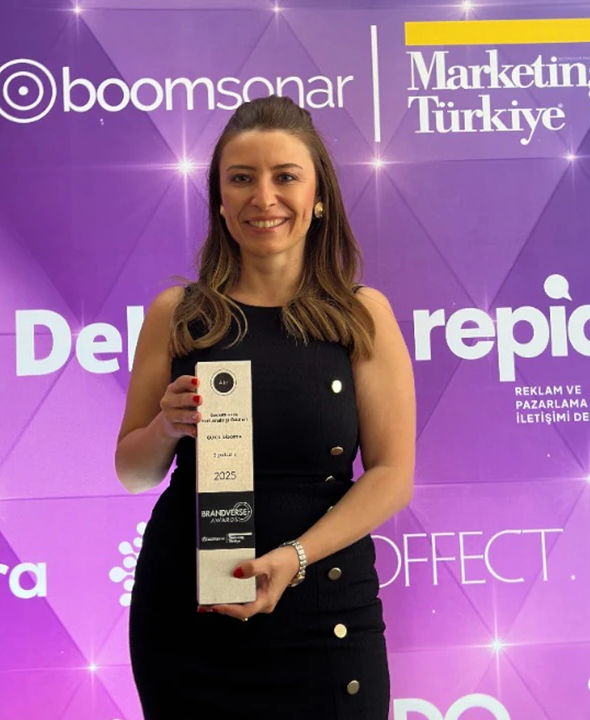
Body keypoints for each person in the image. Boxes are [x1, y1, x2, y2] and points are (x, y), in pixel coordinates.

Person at [113, 95, 417, 719]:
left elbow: (392, 475)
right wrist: (167, 426)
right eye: (241, 179)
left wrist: (294, 559)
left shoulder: (362, 316)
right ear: (220, 200)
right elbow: (133, 473)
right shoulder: (178, 315)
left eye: (285, 177)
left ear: (319, 196)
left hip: (326, 610)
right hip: (189, 620)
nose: (264, 197)